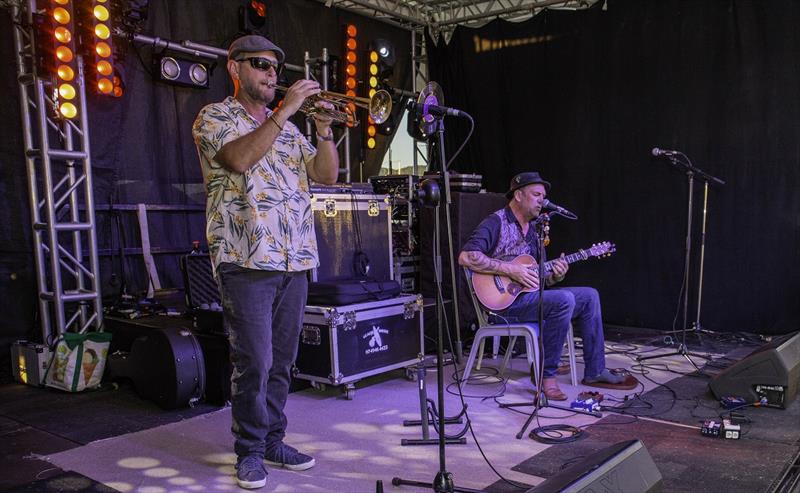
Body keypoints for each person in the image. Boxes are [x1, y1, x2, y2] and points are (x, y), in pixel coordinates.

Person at [192, 34, 339, 490]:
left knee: (282, 361)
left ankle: (274, 440)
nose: (272, 74)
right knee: (253, 360)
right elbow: (238, 158)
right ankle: (250, 450)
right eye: (260, 64)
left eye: (276, 67)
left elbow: (326, 175)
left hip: (293, 259)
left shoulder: (291, 129)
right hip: (246, 259)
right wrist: (286, 111)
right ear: (235, 70)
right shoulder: (215, 117)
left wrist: (325, 130)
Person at [458, 172, 635, 401]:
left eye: (544, 196)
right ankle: (545, 376)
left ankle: (595, 371)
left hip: (525, 298)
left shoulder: (533, 231)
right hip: (500, 306)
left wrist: (555, 277)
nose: (542, 200)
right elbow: (465, 257)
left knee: (589, 295)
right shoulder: (496, 222)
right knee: (564, 300)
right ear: (519, 195)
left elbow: (535, 279)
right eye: (536, 194)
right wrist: (511, 269)